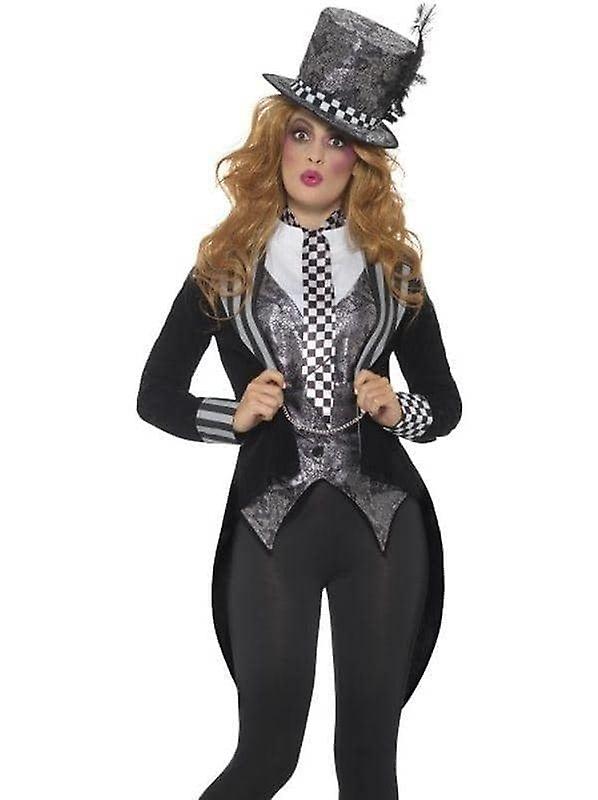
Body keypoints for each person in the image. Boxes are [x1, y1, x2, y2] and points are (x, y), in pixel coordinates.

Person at [136, 6, 461, 798]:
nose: (316, 155)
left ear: (362, 162)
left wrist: (400, 410)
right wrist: (232, 417)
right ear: (274, 141)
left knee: (369, 768)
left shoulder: (395, 271)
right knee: (266, 758)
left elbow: (446, 403)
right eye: (302, 134)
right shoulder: (224, 267)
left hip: (385, 521)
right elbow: (155, 395)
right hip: (271, 519)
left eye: (338, 142)